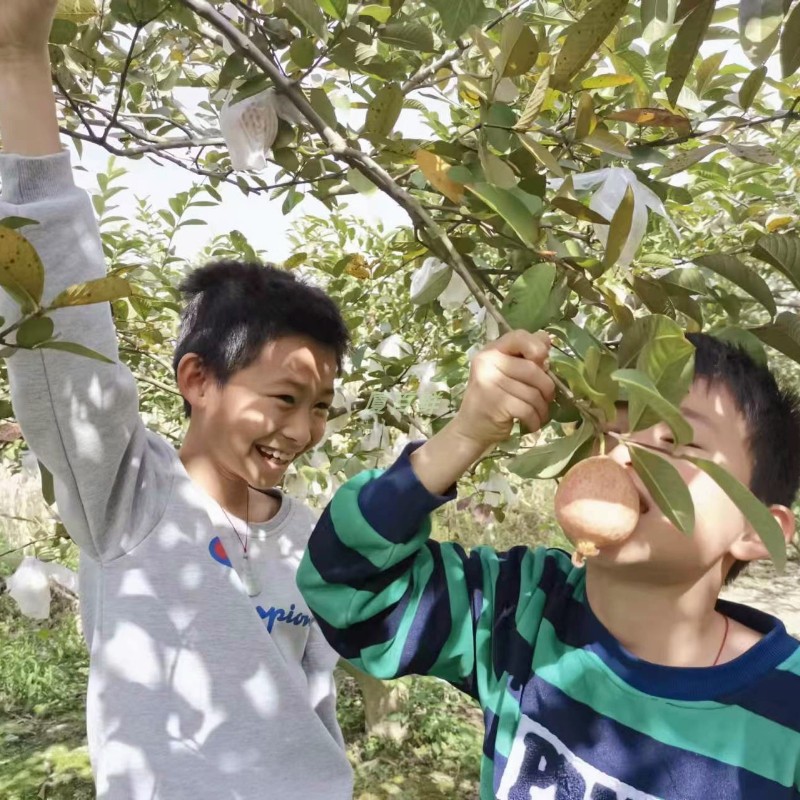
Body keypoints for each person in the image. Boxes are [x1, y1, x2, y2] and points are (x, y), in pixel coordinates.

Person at [0, 2, 353, 798]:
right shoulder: (129, 499)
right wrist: (21, 57)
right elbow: (63, 326)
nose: (302, 430)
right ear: (198, 381)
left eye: (322, 406)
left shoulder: (310, 543)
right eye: (285, 397)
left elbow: (315, 708)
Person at [298, 328, 800, 799]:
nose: (626, 454)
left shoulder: (789, 709)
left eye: (675, 439)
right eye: (611, 430)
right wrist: (463, 436)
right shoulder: (520, 605)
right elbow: (346, 588)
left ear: (756, 530)